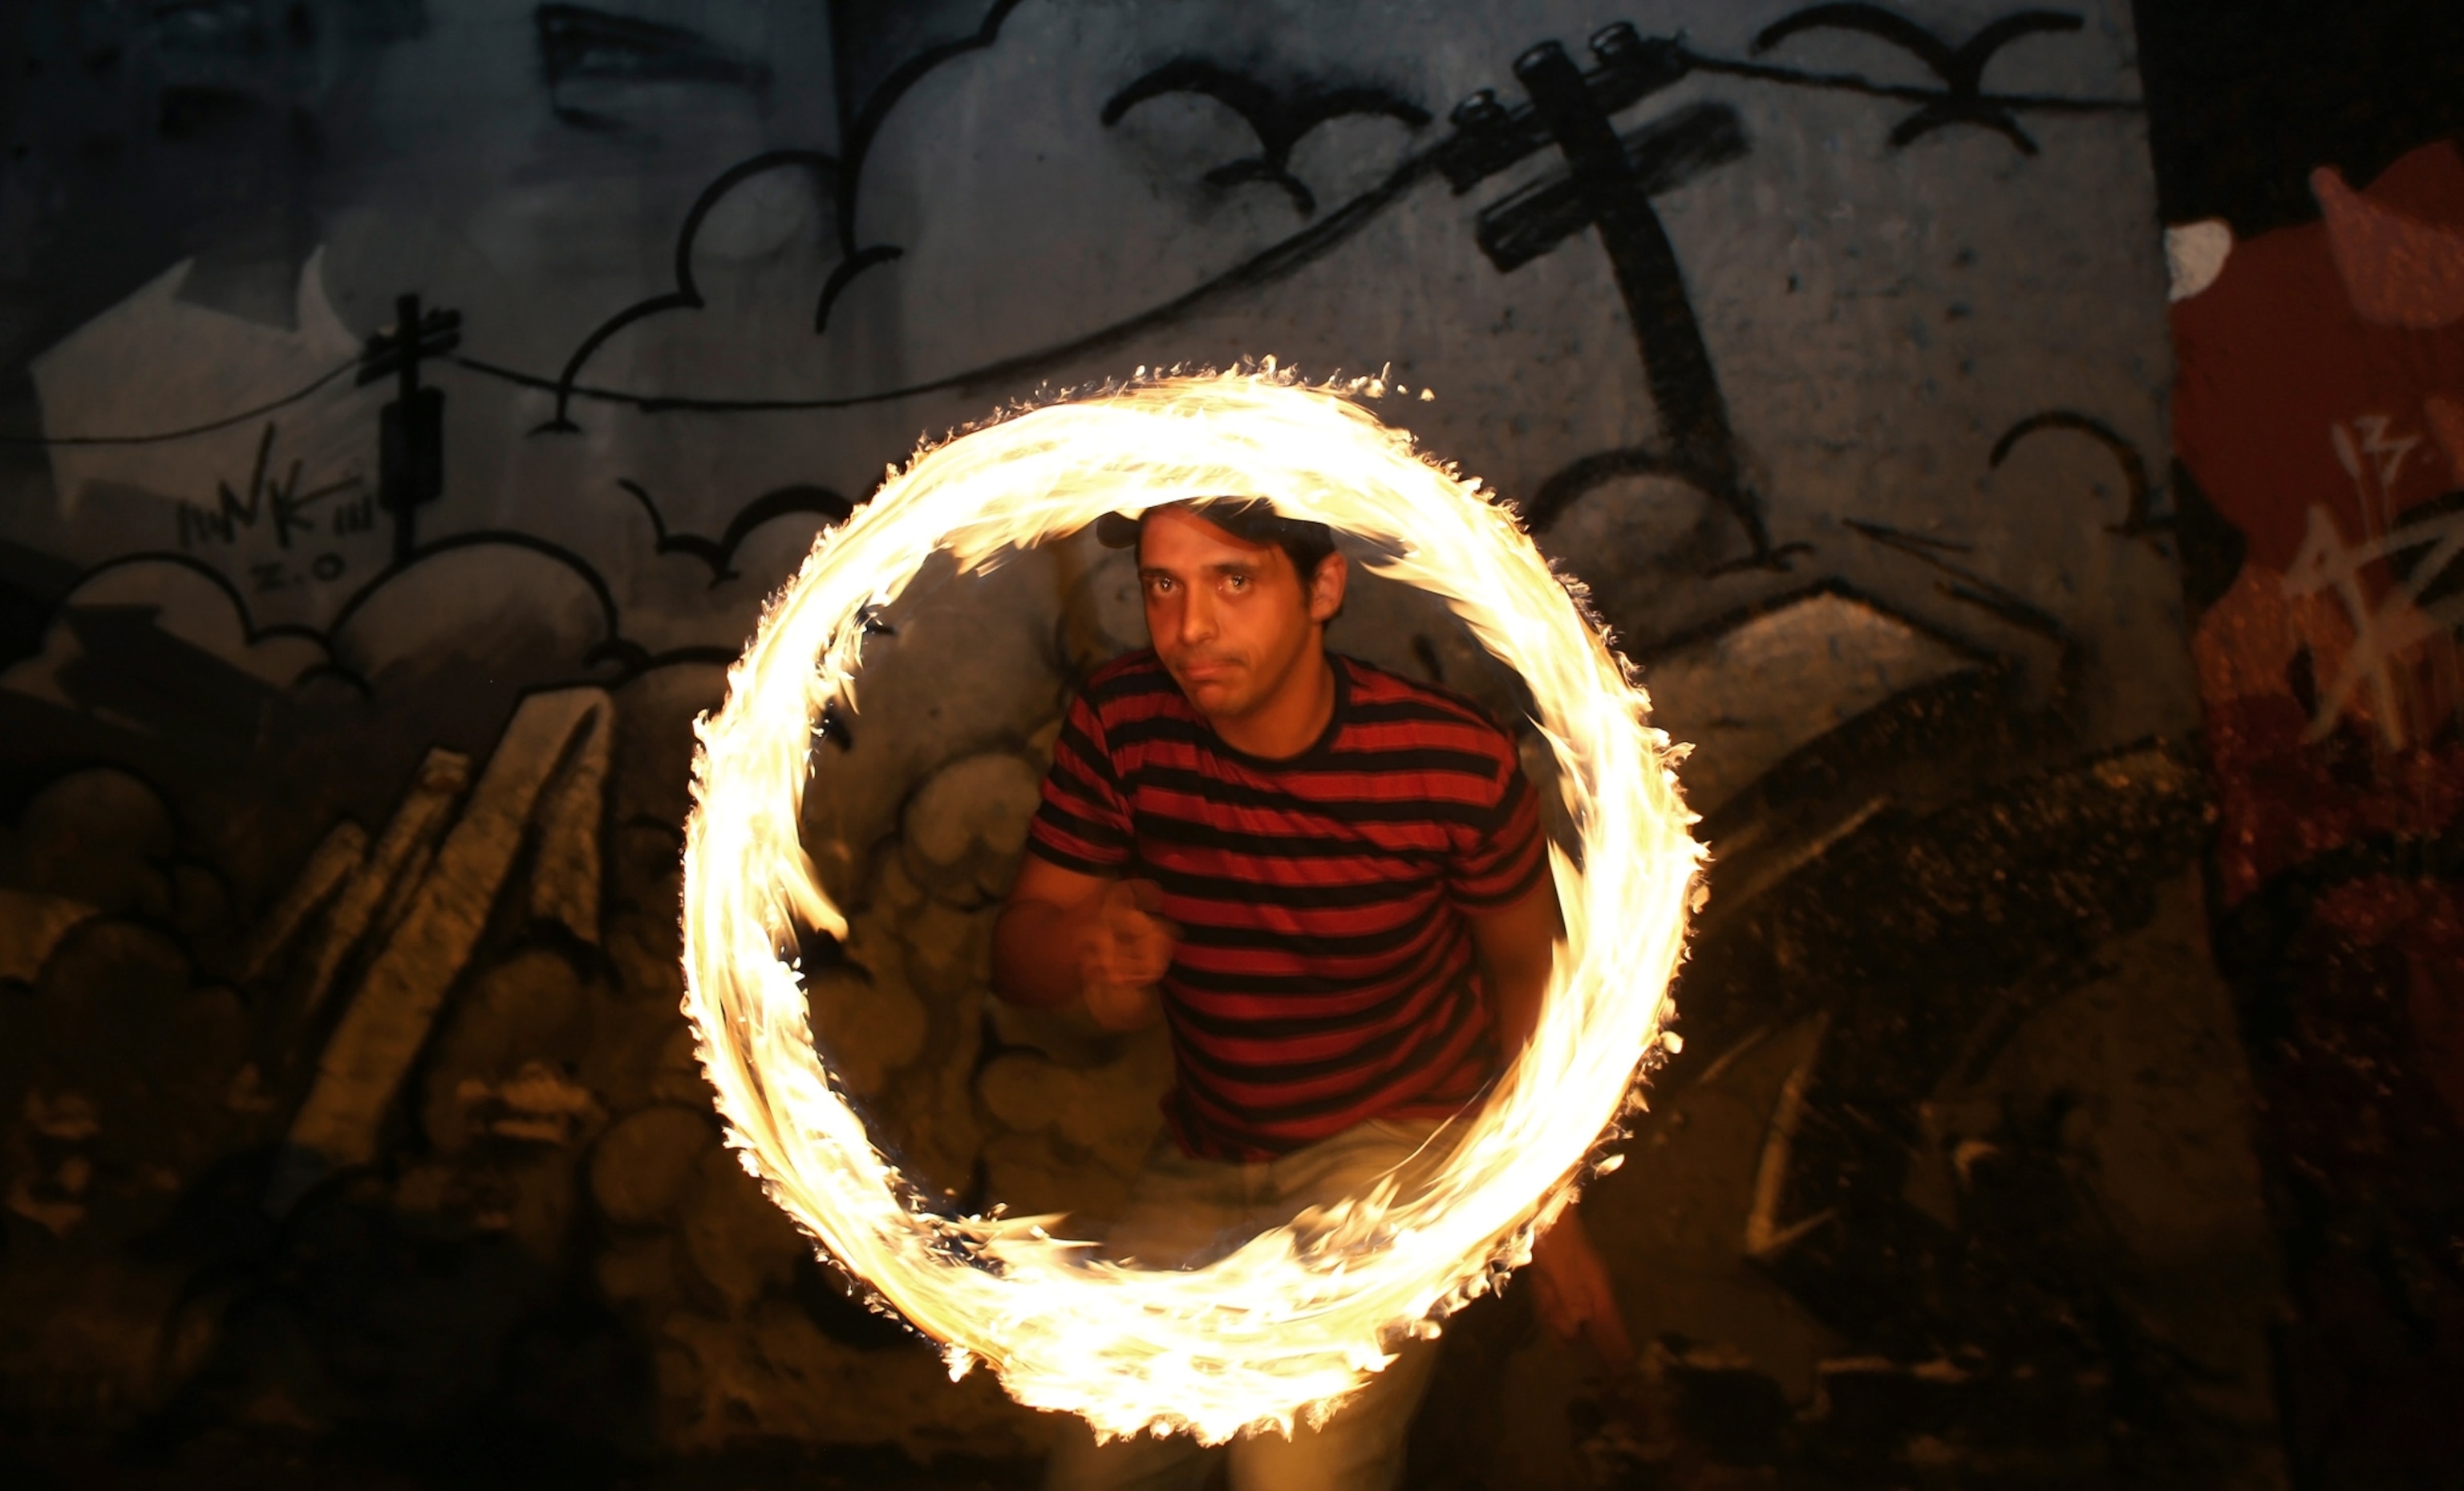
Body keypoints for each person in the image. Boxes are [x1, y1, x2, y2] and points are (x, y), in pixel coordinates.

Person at [991, 498, 1631, 1491]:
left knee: (1291, 1476)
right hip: (1205, 1153)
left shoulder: (1448, 760)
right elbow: (1017, 954)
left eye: (1232, 580)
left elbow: (1526, 968)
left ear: (1322, 588)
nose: (1189, 625)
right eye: (1163, 583)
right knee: (1090, 1476)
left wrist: (1548, 1206)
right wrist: (1086, 941)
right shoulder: (1123, 723)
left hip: (1390, 1158)